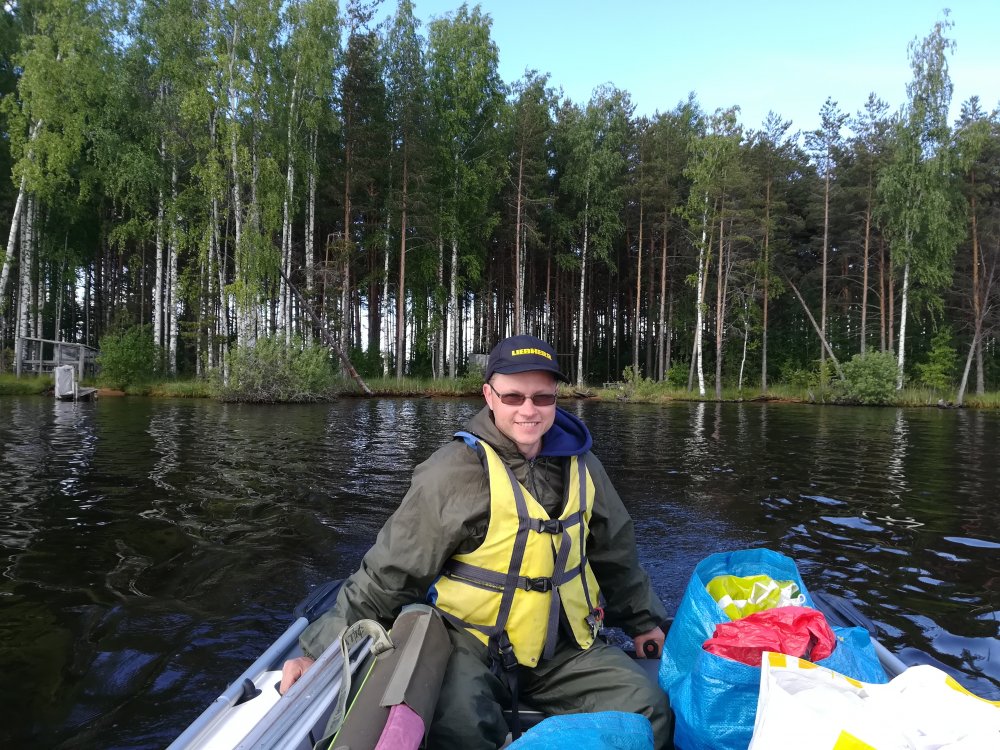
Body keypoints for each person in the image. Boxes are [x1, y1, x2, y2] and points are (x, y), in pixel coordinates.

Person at [281, 334, 673, 749]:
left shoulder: (584, 465)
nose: (529, 410)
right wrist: (320, 651)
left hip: (563, 647)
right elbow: (390, 572)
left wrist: (642, 621)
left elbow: (615, 552)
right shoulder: (453, 471)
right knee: (459, 728)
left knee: (648, 711)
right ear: (489, 396)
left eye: (542, 397)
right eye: (513, 397)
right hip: (470, 644)